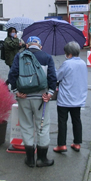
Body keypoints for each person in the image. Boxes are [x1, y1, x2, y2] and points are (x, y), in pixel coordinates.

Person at [8, 36, 57, 168]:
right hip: (41, 98)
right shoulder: (47, 57)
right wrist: (50, 94)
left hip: (24, 98)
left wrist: (16, 91)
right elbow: (52, 77)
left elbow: (12, 74)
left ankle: (29, 159)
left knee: (26, 126)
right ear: (40, 46)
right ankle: (42, 159)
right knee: (42, 127)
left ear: (28, 46)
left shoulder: (20, 56)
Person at [53, 41, 88, 153]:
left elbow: (57, 77)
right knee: (76, 120)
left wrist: (55, 69)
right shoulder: (83, 63)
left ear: (69, 53)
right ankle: (77, 143)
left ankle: (62, 145)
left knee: (62, 121)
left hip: (65, 98)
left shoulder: (67, 64)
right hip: (78, 97)